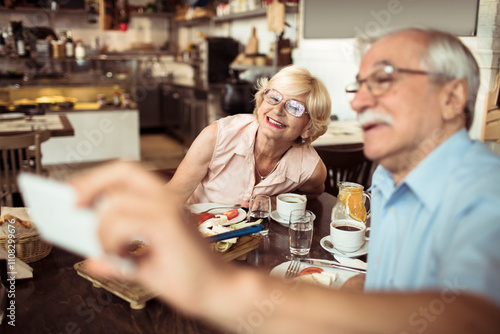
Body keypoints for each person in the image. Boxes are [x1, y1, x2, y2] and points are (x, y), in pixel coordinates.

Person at [71, 27, 500, 334]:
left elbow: (475, 318)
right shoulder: (388, 179)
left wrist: (213, 286)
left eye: (384, 82)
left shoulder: (485, 194)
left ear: (451, 98)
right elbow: (393, 283)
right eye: (361, 84)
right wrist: (355, 286)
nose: (362, 99)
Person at [165, 65, 332, 206]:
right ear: (261, 103)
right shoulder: (216, 137)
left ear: (308, 127)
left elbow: (314, 192)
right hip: (196, 233)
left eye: (295, 107)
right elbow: (170, 199)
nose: (278, 110)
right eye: (273, 97)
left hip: (256, 241)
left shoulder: (310, 169)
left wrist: (276, 202)